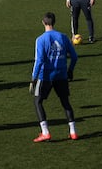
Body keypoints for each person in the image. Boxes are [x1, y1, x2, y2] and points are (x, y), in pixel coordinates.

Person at [30, 12, 78, 142]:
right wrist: (70, 70)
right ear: (54, 22)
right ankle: (73, 132)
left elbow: (39, 60)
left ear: (43, 22)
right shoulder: (63, 37)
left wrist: (34, 78)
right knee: (65, 102)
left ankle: (45, 132)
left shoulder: (40, 40)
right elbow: (74, 57)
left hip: (45, 76)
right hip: (61, 75)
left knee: (37, 101)